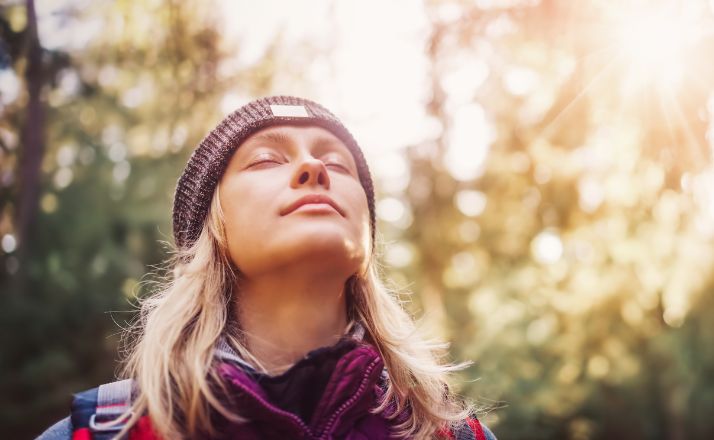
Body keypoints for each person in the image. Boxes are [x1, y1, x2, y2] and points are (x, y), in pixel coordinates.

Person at [37, 96, 497, 439]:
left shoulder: (451, 434)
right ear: (211, 230)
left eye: (338, 163)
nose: (314, 167)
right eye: (266, 159)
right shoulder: (104, 432)